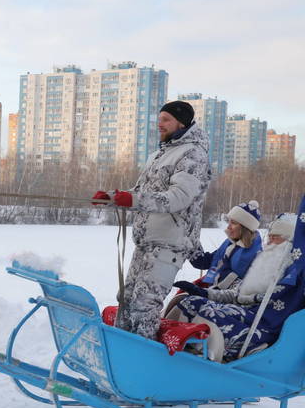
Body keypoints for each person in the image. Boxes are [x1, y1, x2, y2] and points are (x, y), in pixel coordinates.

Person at [92, 100, 211, 339]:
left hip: (169, 244)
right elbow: (141, 192)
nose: (160, 124)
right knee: (126, 300)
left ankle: (142, 361)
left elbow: (178, 198)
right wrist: (114, 197)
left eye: (166, 119)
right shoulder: (159, 154)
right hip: (147, 241)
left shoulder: (193, 154)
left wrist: (131, 200)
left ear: (182, 122)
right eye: (159, 119)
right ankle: (122, 353)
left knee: (145, 305)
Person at [171, 213, 301, 362]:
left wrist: (211, 293)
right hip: (240, 307)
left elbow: (269, 302)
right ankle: (173, 342)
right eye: (269, 236)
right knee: (188, 301)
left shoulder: (288, 271)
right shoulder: (258, 260)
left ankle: (193, 353)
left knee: (202, 309)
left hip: (258, 323)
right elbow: (236, 293)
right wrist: (204, 293)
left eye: (276, 237)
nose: (270, 241)